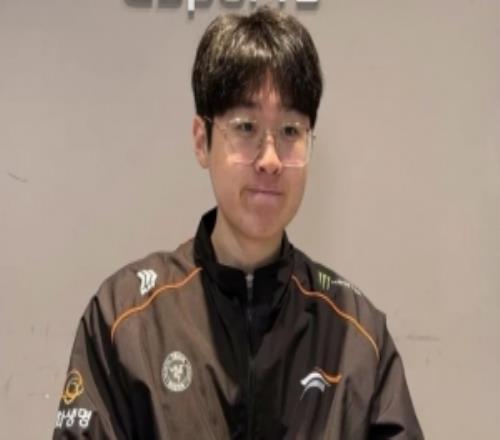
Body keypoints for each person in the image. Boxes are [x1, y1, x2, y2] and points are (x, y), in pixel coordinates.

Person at [53, 7, 423, 439]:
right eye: (246, 127)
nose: (270, 159)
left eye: (290, 131)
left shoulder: (357, 336)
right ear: (202, 141)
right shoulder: (125, 320)